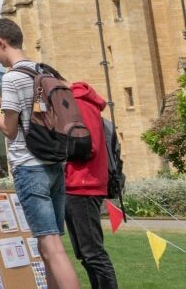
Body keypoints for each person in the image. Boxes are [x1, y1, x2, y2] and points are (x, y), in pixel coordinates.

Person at [0, 18, 81, 289]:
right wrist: (0, 101)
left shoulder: (12, 77)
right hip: (53, 164)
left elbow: (9, 130)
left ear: (1, 42)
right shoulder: (43, 71)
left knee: (51, 246)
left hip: (29, 167)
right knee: (49, 246)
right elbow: (28, 115)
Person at [37, 64, 118, 288]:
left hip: (84, 184)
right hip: (76, 184)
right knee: (85, 253)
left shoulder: (78, 102)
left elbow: (85, 146)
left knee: (93, 253)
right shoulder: (71, 101)